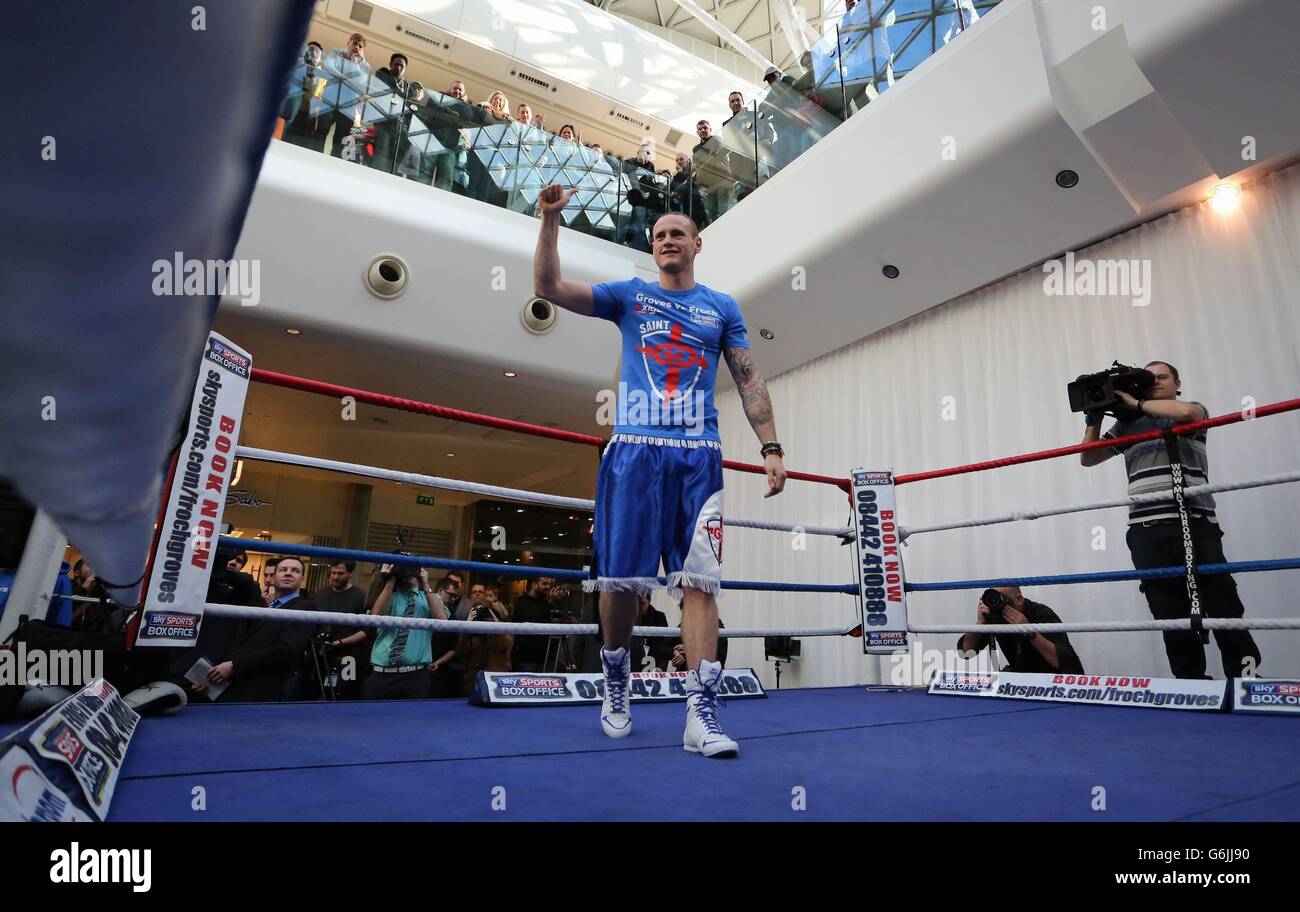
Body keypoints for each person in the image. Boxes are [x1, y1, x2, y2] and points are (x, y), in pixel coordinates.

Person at [533, 184, 788, 757]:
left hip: (698, 455)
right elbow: (547, 287)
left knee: (701, 582)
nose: (667, 241)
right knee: (622, 582)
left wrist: (771, 445)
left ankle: (701, 713)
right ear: (652, 250)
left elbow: (748, 377)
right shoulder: (630, 295)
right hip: (635, 450)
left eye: (677, 233)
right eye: (658, 236)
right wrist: (550, 219)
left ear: (697, 243)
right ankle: (616, 677)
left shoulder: (722, 306)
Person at [1080, 361, 1261, 679]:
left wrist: (1136, 403)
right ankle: (1190, 682)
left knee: (1222, 602)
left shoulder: (1191, 408)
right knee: (1167, 610)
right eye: (1149, 379)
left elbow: (1189, 416)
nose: (1155, 382)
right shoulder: (1127, 425)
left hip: (1194, 521)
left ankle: (1244, 678)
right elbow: (1088, 458)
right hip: (1145, 529)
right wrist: (1094, 419)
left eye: (1161, 377)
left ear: (1178, 383)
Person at [194, 556, 315, 702]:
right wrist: (215, 676)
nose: (288, 573)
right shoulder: (261, 606)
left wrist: (234, 667)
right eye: (283, 570)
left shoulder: (306, 607)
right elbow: (242, 643)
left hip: (262, 689)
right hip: (234, 684)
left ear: (302, 579)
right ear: (273, 577)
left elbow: (286, 650)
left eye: (295, 571)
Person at [362, 563, 450, 699]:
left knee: (414, 719)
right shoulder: (388, 595)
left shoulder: (429, 597)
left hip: (416, 675)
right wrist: (389, 581)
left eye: (413, 568)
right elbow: (374, 619)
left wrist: (426, 585)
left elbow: (442, 620)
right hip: (382, 674)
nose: (409, 572)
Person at [956, 587, 1084, 674]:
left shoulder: (1041, 613)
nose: (999, 605)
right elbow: (966, 653)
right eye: (994, 600)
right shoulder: (996, 616)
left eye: (1003, 599)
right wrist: (980, 623)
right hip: (1021, 681)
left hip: (1054, 680)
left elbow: (1062, 662)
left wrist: (1028, 631)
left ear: (1019, 599)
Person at [310, 560, 370, 699]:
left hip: (348, 656)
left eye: (340, 573)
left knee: (343, 692)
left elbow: (366, 631)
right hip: (320, 654)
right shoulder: (320, 593)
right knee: (316, 691)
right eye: (333, 573)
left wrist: (340, 642)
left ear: (350, 573)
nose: (335, 577)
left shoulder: (360, 596)